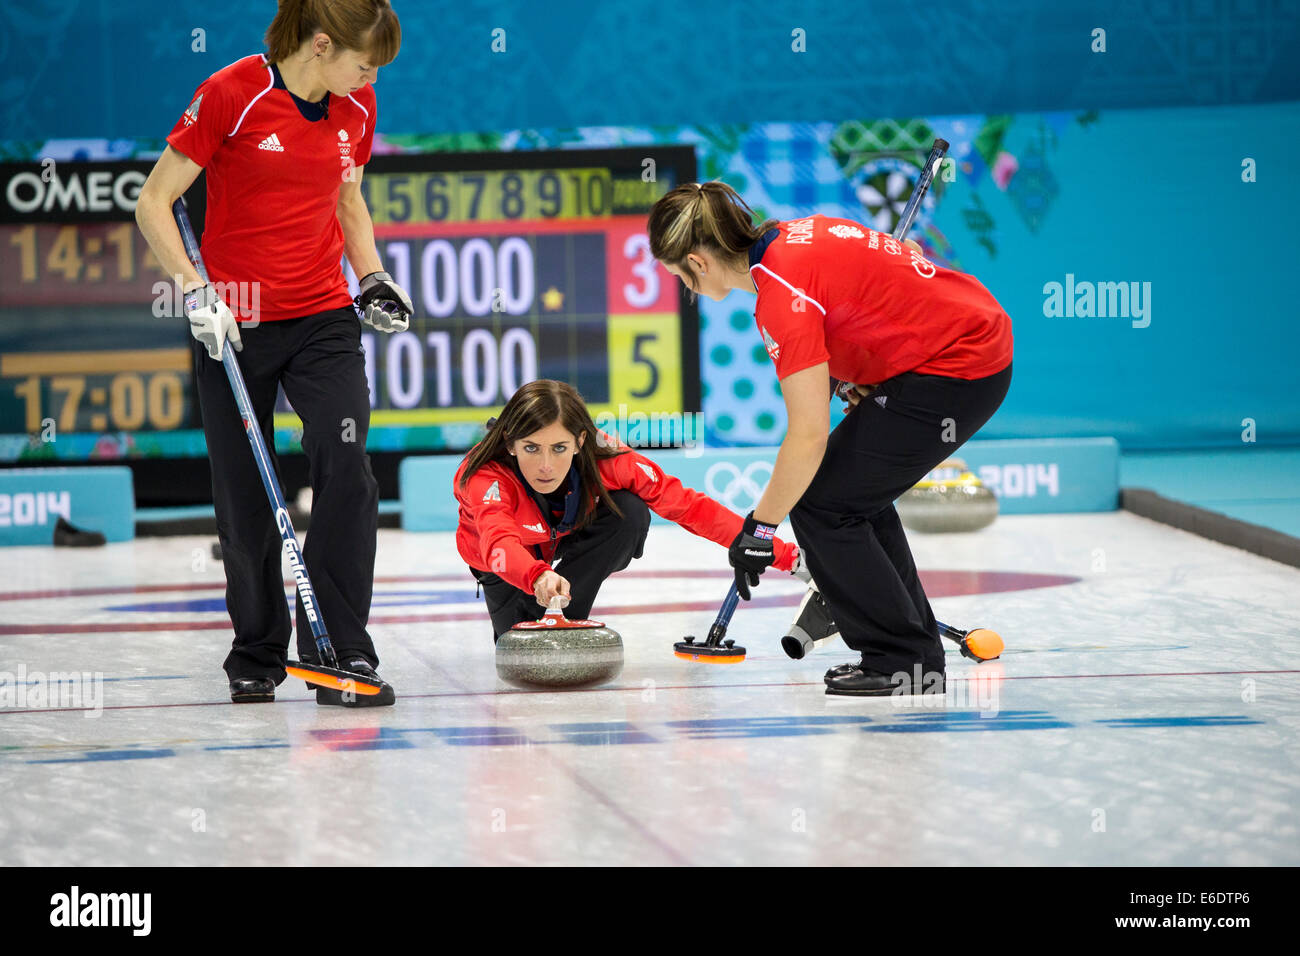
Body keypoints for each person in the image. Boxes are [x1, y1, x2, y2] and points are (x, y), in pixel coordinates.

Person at [134, 0, 409, 706]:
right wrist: (194, 292)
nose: (373, 77)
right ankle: (257, 650)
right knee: (246, 493)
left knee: (346, 466)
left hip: (323, 315)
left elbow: (347, 200)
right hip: (235, 319)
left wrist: (371, 274)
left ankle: (340, 648)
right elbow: (154, 201)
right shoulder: (232, 93)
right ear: (322, 45)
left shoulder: (357, 107)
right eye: (365, 62)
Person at [647, 181, 1013, 697]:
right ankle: (913, 651)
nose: (687, 288)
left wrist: (759, 528)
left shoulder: (780, 296)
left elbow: (808, 434)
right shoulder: (799, 235)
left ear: (697, 262)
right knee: (848, 495)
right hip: (968, 336)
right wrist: (875, 367)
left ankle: (902, 659)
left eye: (680, 277)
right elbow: (900, 264)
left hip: (960, 365)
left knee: (822, 504)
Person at [455, 380, 801, 639]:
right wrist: (537, 576)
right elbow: (498, 545)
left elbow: (687, 507)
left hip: (563, 532)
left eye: (559, 448)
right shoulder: (486, 477)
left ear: (580, 442)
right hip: (506, 559)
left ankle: (566, 617)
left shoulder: (607, 458)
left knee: (629, 512)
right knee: (515, 646)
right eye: (531, 448)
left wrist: (788, 557)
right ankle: (540, 606)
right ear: (510, 444)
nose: (546, 465)